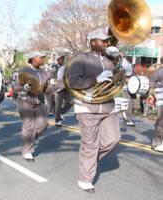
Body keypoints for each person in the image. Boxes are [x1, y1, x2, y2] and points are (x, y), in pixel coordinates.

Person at [67, 28, 121, 192]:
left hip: (107, 105)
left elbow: (120, 75)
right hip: (87, 107)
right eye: (102, 40)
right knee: (90, 144)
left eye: (106, 40)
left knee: (114, 138)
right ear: (92, 42)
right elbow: (73, 82)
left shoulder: (108, 59)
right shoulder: (80, 58)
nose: (106, 43)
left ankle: (88, 162)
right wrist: (96, 79)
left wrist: (119, 62)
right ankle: (85, 178)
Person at [13, 52, 49, 162]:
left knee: (43, 124)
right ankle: (27, 150)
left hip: (39, 102)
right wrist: (24, 87)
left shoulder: (43, 72)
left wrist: (56, 86)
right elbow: (15, 86)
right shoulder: (24, 71)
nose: (43, 59)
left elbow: (46, 88)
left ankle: (29, 140)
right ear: (33, 59)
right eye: (40, 57)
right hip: (25, 101)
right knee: (29, 126)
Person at [53, 54, 73, 126]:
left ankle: (60, 113)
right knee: (58, 105)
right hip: (58, 89)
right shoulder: (55, 68)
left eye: (62, 59)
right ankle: (57, 120)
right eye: (59, 59)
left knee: (70, 102)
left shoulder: (66, 67)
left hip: (66, 88)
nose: (61, 60)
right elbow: (52, 78)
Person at [150, 56, 163, 152]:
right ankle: (157, 143)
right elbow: (151, 83)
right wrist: (160, 86)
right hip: (162, 100)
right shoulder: (159, 72)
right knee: (160, 122)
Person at [121, 57, 137, 126]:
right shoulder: (123, 69)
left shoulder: (131, 69)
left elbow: (134, 78)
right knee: (129, 104)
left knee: (135, 106)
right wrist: (125, 80)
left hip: (133, 89)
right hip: (126, 89)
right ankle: (129, 120)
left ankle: (125, 113)